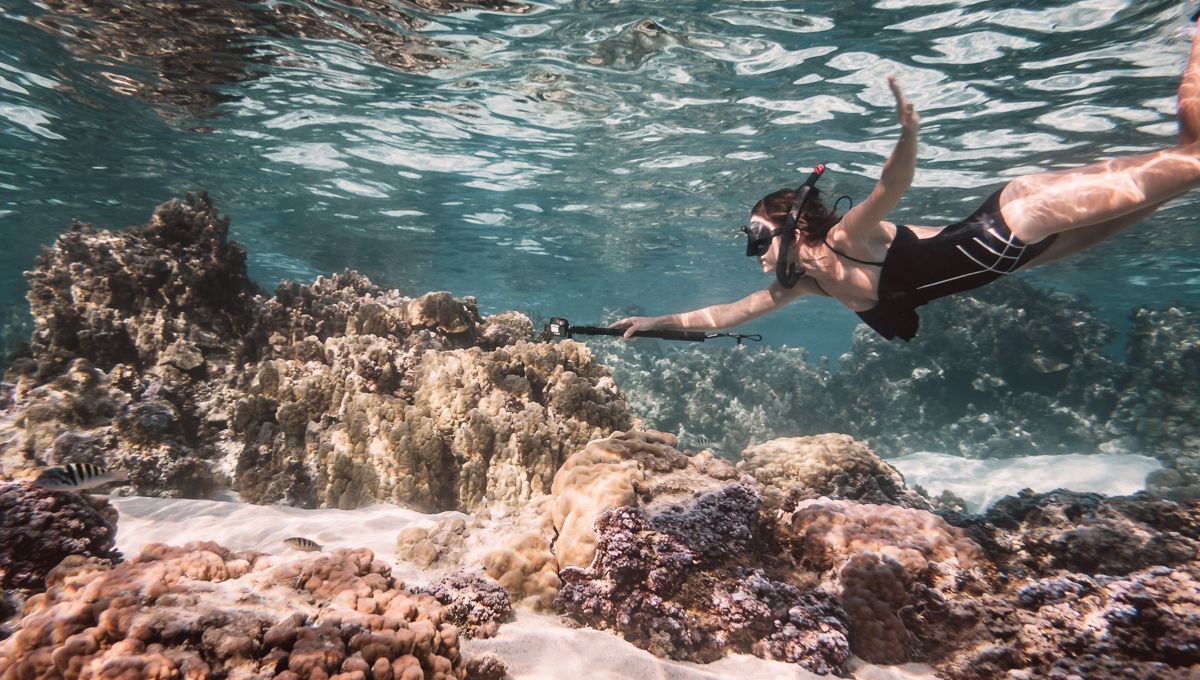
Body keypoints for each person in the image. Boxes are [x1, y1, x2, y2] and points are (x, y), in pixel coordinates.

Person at [612, 12, 1200, 342]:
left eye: (757, 237)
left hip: (1022, 218)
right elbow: (725, 315)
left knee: (1191, 159)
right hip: (1023, 258)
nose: (754, 251)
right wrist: (654, 324)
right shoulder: (810, 284)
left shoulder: (848, 240)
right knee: (1184, 168)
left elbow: (889, 189)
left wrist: (908, 135)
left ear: (793, 227)